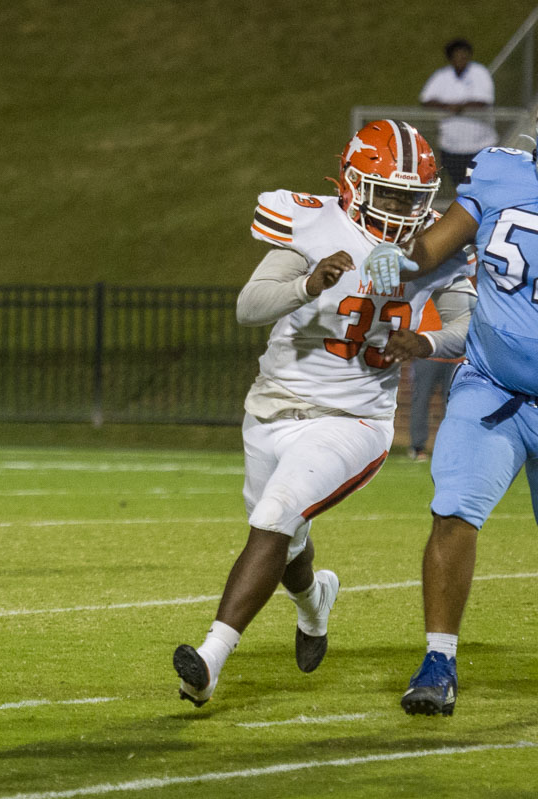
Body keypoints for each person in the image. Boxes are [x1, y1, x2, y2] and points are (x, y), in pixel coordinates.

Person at [173, 120, 477, 708]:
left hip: (354, 417)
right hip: (272, 406)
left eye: (410, 199)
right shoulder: (311, 222)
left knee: (278, 512)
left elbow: (466, 322)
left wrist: (426, 343)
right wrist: (308, 283)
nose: (397, 209)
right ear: (351, 183)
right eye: (385, 193)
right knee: (286, 541)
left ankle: (208, 661)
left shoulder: (437, 247)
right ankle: (315, 603)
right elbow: (247, 307)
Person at [362, 131, 538, 717]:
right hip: (493, 387)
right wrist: (399, 258)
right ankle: (438, 662)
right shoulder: (502, 173)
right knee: (454, 510)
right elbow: (433, 250)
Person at [420, 38, 497, 184]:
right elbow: (426, 99)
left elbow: (485, 101)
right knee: (459, 186)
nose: (461, 58)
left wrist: (460, 107)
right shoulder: (442, 76)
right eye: (457, 54)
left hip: (480, 145)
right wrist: (447, 106)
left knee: (480, 185)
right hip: (451, 146)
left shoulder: (479, 72)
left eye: (464, 54)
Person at [406, 300, 461, 461]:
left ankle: (452, 447)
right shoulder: (426, 278)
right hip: (427, 351)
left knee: (454, 406)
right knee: (421, 400)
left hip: (455, 353)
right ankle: (417, 447)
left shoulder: (463, 280)